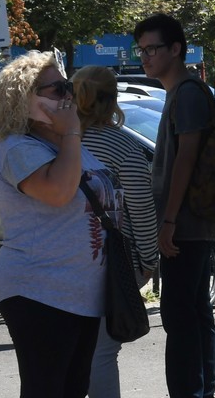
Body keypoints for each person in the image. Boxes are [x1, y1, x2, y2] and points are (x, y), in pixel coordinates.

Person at [0, 51, 118, 398]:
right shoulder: (17, 148)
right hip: (38, 289)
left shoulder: (67, 144)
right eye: (56, 89)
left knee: (73, 388)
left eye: (68, 86)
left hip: (82, 293)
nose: (68, 96)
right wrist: (71, 131)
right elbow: (58, 192)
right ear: (24, 98)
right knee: (47, 389)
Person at [134, 13, 215, 398]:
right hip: (191, 223)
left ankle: (191, 392)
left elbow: (186, 157)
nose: (145, 57)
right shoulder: (180, 92)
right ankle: (202, 390)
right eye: (141, 50)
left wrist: (168, 221)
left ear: (176, 49)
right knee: (195, 312)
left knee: (180, 316)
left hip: (185, 224)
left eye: (152, 49)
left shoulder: (186, 92)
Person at [72, 65, 160, 398]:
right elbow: (141, 210)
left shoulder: (55, 143)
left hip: (60, 262)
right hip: (109, 264)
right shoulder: (124, 148)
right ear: (113, 101)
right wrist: (149, 261)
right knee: (102, 353)